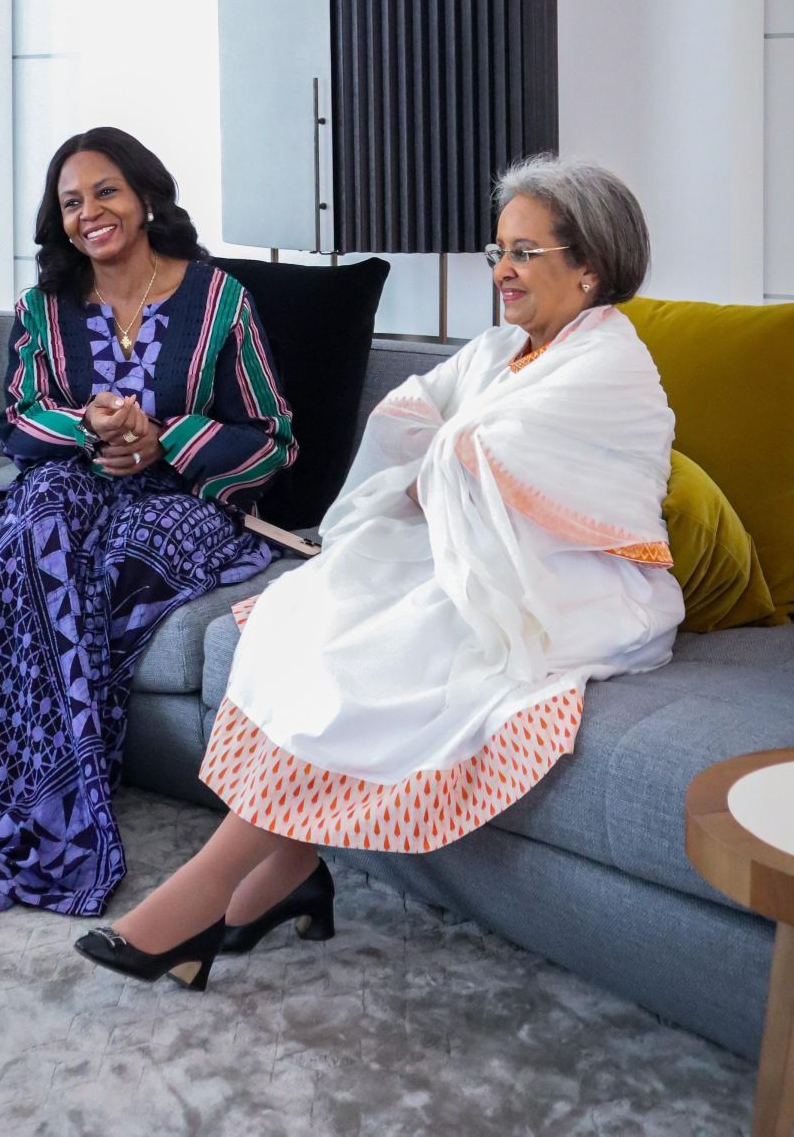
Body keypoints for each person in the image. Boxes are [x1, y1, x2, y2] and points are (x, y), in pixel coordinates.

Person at [76, 154, 683, 992]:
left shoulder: (612, 362)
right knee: (308, 609)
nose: (502, 270)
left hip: (570, 586)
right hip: (475, 554)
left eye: (524, 252)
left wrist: (452, 460)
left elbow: (480, 454)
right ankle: (289, 871)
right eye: (498, 250)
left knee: (379, 653)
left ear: (589, 267)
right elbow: (411, 415)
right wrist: (449, 460)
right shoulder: (503, 349)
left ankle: (202, 899)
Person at [0, 126, 296, 918]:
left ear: (146, 197)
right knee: (35, 518)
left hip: (181, 505)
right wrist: (88, 425)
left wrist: (164, 437)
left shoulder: (219, 301)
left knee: (80, 551)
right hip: (70, 488)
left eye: (105, 191)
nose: (89, 212)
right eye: (71, 202)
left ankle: (39, 801)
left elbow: (271, 437)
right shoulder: (42, 307)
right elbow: (18, 421)